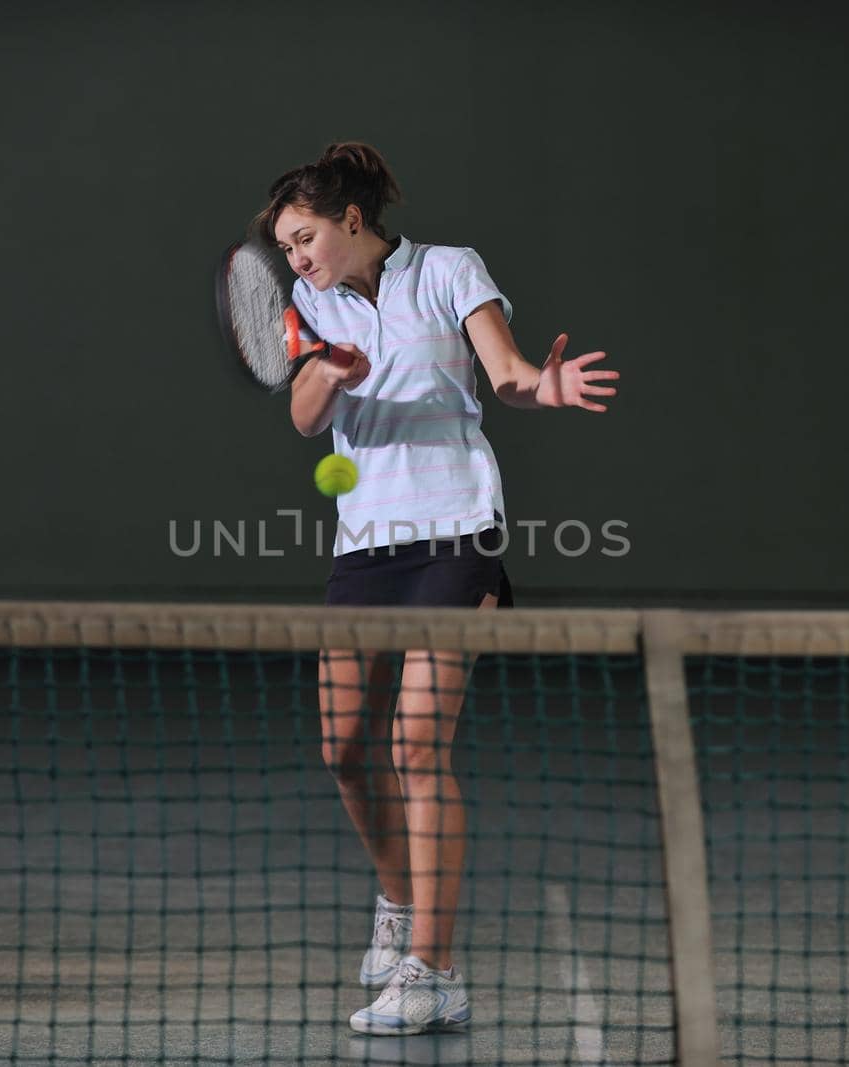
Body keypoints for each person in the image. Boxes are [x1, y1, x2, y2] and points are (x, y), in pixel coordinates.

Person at [254, 142, 618, 1036]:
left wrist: (549, 386)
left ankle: (434, 970)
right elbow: (305, 418)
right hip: (364, 543)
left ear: (350, 219)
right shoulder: (311, 301)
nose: (295, 257)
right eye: (285, 247)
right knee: (344, 749)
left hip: (456, 532)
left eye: (304, 237)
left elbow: (508, 375)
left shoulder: (450, 271)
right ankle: (396, 898)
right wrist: (328, 373)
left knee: (417, 745)